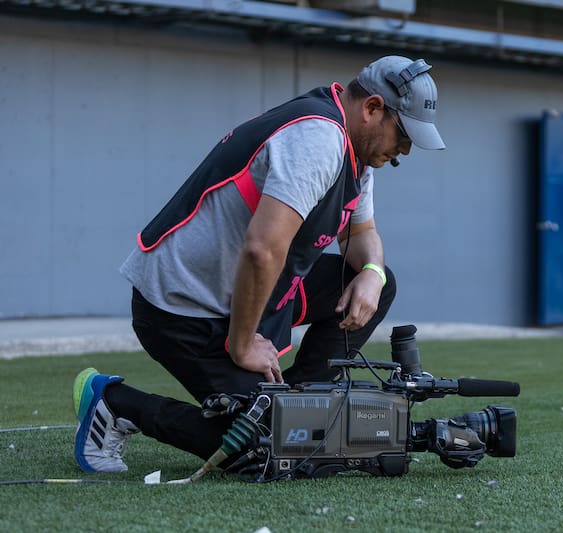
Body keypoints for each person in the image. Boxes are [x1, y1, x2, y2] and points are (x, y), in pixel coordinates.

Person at [71, 55, 446, 473]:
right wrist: (243, 343)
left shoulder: (357, 154)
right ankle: (114, 402)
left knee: (376, 283)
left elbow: (360, 236)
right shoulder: (319, 139)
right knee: (266, 445)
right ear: (372, 108)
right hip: (181, 309)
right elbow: (261, 250)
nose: (406, 150)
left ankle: (303, 399)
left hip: (247, 294)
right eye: (404, 134)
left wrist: (373, 274)